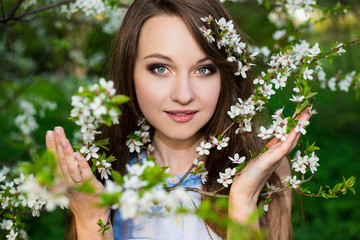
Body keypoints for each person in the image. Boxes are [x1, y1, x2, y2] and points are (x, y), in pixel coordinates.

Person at [45, 0, 310, 239]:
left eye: (204, 69)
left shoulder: (266, 167)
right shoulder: (101, 172)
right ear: (130, 72)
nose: (183, 95)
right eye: (160, 68)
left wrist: (243, 200)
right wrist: (91, 216)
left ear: (226, 76)